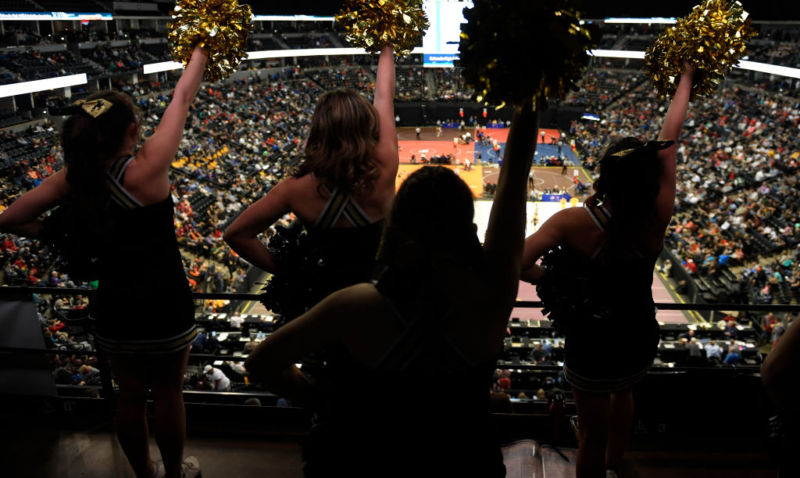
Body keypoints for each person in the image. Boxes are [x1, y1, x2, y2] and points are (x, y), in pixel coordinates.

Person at [244, 101, 539, 477]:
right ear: (469, 227)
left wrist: (323, 402)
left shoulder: (355, 304)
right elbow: (514, 181)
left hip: (365, 459)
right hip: (465, 460)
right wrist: (530, 94)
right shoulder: (491, 294)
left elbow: (260, 363)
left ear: (396, 226)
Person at [0, 45, 208, 478]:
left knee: (130, 397)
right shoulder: (148, 169)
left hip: (114, 308)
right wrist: (203, 47)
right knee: (169, 394)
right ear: (132, 131)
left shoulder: (71, 181)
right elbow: (182, 97)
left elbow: (11, 219)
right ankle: (174, 473)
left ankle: (144, 475)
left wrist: (61, 232)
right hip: (166, 303)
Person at [520, 65, 694, 478]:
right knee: (625, 393)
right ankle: (617, 464)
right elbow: (670, 143)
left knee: (590, 434)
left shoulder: (571, 222)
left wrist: (548, 279)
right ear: (649, 181)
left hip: (592, 343)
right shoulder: (656, 215)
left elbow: (516, 261)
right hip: (638, 333)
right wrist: (685, 80)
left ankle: (600, 468)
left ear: (604, 177)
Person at [223, 44, 397, 318]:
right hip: (381, 297)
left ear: (318, 129)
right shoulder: (385, 165)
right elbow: (384, 97)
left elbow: (235, 234)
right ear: (368, 125)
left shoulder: (294, 189)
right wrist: (386, 44)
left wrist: (288, 271)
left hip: (324, 306)